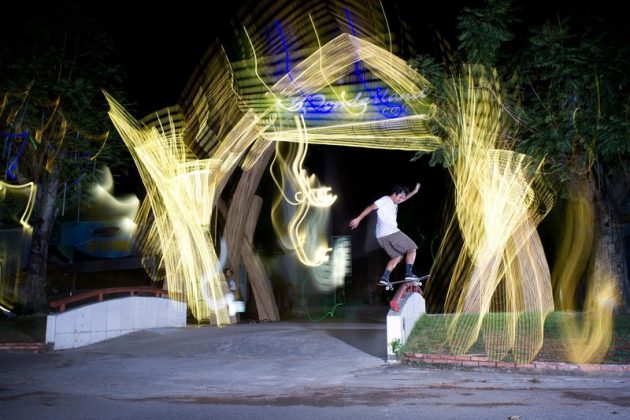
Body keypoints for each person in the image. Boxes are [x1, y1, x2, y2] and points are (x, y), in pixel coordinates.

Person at [349, 183, 421, 285]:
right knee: (412, 248)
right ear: (394, 194)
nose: (401, 200)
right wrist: (358, 219)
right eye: (400, 197)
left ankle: (385, 277)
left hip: (381, 237)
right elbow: (371, 207)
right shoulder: (385, 200)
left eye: (402, 198)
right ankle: (408, 273)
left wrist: (414, 192)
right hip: (390, 232)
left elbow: (405, 198)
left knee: (397, 257)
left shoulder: (394, 202)